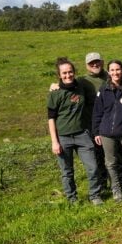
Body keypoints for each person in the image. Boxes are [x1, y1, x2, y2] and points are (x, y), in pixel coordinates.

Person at [47, 57, 103, 205]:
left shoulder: (81, 85)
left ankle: (95, 196)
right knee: (67, 172)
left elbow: (98, 79)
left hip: (82, 134)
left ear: (74, 72)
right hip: (63, 137)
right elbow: (51, 118)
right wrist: (54, 141)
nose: (68, 76)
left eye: (70, 72)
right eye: (64, 73)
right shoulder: (55, 93)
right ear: (59, 75)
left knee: (93, 167)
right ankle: (72, 199)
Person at [91, 59, 122, 202]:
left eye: (118, 69)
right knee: (111, 162)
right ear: (109, 72)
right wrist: (96, 132)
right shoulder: (104, 89)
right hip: (106, 132)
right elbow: (97, 112)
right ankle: (116, 188)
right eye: (112, 70)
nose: (115, 72)